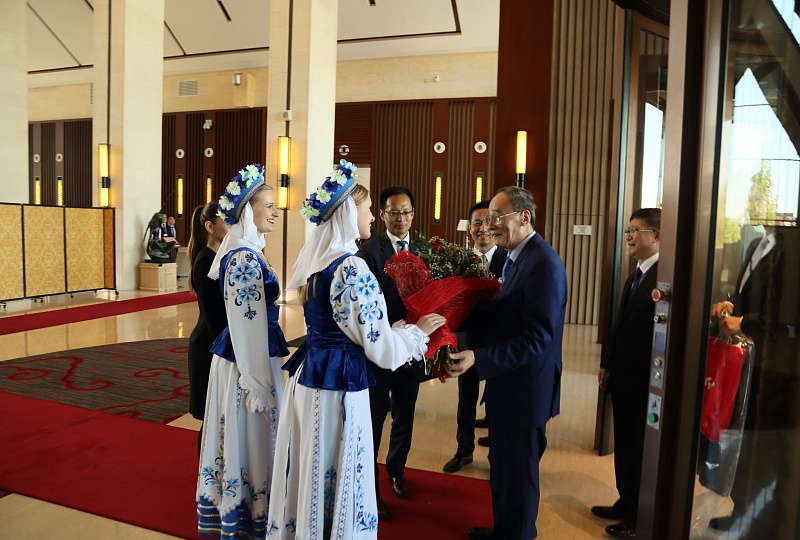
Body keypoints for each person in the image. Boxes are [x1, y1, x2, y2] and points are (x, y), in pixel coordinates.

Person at [267, 160, 445, 539]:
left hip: (311, 373)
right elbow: (379, 348)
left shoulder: (318, 266)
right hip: (338, 385)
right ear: (349, 212)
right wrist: (417, 333)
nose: (371, 218)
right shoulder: (352, 268)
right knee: (337, 458)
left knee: (313, 461)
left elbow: (350, 327)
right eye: (366, 210)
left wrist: (391, 328)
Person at [447, 186, 568, 540]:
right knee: (502, 471)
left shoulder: (542, 264)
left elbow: (537, 339)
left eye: (497, 217)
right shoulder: (517, 258)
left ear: (523, 217)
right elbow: (504, 317)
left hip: (525, 392)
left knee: (519, 478)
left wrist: (477, 358)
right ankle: (504, 530)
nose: (490, 225)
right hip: (508, 387)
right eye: (486, 219)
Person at [196, 164, 290, 539]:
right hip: (245, 361)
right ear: (246, 210)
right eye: (267, 205)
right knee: (250, 432)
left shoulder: (246, 251)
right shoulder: (245, 258)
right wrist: (256, 382)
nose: (275, 212)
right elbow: (246, 324)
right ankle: (250, 512)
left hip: (248, 356)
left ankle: (249, 508)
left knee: (250, 435)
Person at [591, 208, 661, 540]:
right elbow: (620, 327)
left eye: (636, 230)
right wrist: (607, 364)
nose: (629, 236)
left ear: (657, 236)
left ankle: (637, 516)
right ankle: (625, 501)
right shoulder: (636, 274)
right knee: (626, 445)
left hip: (645, 382)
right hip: (623, 378)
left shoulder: (662, 276)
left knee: (639, 449)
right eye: (628, 230)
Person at [355, 185, 420, 521]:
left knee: (404, 415)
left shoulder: (423, 248)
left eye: (406, 212)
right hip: (378, 351)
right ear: (382, 214)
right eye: (394, 212)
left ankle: (397, 470)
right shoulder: (368, 251)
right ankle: (371, 486)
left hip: (410, 352)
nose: (401, 219)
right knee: (375, 417)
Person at [442, 200, 507, 474]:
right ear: (469, 229)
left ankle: (498, 454)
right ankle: (463, 450)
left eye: (487, 222)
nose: (482, 228)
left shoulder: (507, 260)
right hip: (465, 338)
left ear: (496, 225)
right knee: (466, 398)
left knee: (497, 397)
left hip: (496, 341)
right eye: (476, 223)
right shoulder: (458, 261)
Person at [187, 202, 230, 455]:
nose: (231, 225)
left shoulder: (217, 257)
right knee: (210, 416)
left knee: (218, 414)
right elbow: (214, 318)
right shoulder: (205, 261)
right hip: (208, 347)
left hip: (215, 343)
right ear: (210, 227)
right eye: (226, 221)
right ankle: (206, 473)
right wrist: (228, 352)